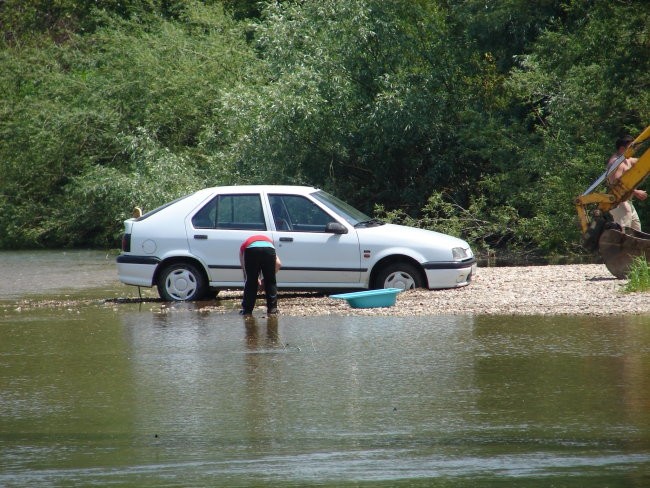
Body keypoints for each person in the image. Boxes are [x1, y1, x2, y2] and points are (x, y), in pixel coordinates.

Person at [606, 135, 647, 231]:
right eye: (631, 147)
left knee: (637, 232)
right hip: (618, 202)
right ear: (622, 148)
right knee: (623, 234)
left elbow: (640, 161)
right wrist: (636, 192)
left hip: (627, 202)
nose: (634, 149)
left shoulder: (627, 159)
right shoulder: (616, 162)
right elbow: (617, 185)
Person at [239, 235, 282, 316]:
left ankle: (247, 311)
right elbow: (278, 264)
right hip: (269, 250)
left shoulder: (244, 246)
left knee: (251, 282)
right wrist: (265, 279)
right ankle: (272, 309)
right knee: (271, 282)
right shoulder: (270, 244)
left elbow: (244, 269)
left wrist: (255, 279)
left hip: (251, 249)